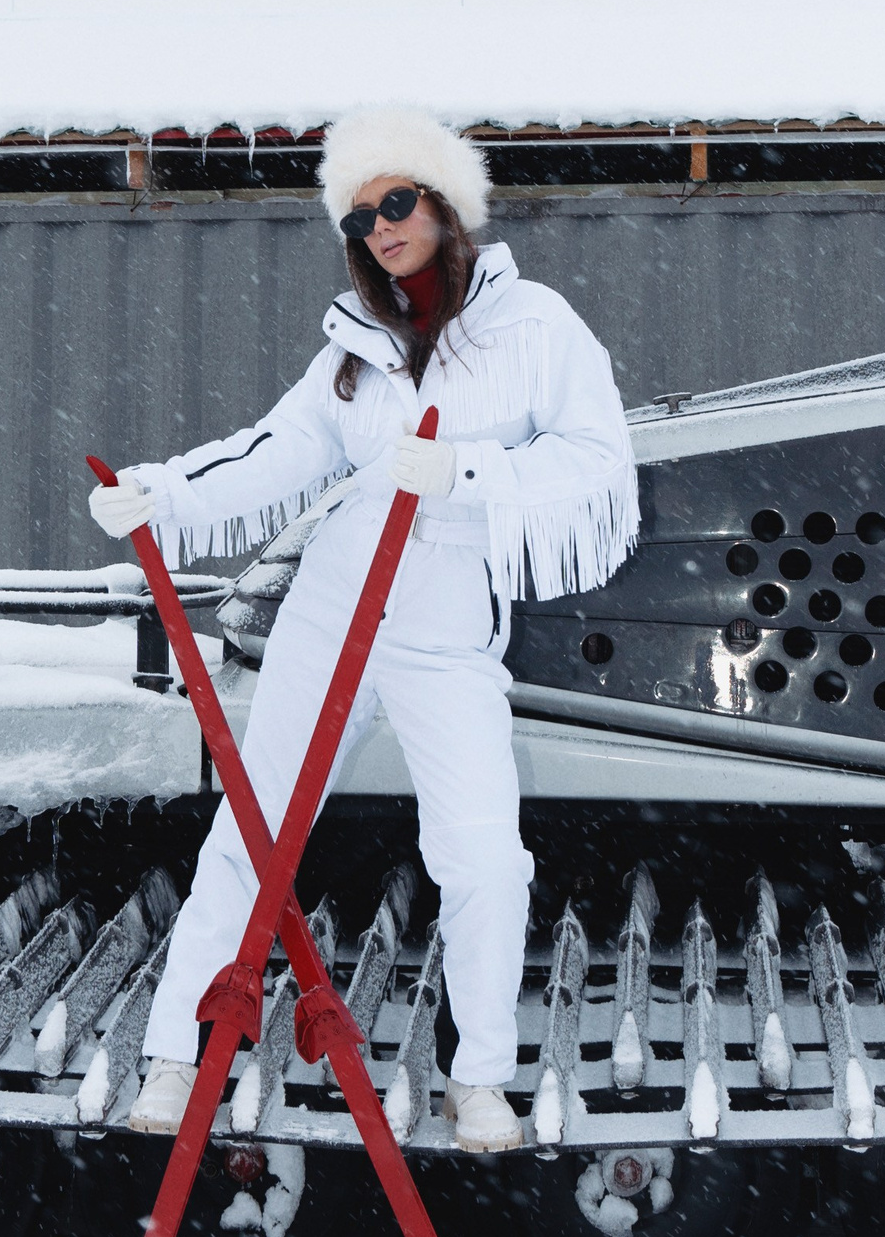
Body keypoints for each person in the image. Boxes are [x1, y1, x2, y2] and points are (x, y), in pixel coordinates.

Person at [88, 106, 639, 1152]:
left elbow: (599, 467)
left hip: (443, 629)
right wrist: (156, 494)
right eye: (358, 216)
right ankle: (175, 1052)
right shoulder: (353, 345)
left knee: (480, 856)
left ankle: (477, 1082)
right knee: (252, 835)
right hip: (334, 612)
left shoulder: (537, 331)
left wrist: (469, 472)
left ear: (444, 205)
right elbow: (271, 454)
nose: (379, 227)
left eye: (396, 202)